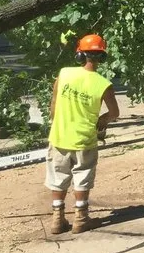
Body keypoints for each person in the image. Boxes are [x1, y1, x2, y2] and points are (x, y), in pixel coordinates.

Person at [45, 34, 120, 234]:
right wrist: (101, 122)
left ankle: (57, 219)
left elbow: (53, 103)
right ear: (102, 57)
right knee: (82, 177)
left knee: (58, 177)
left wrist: (55, 123)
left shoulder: (64, 74)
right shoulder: (103, 84)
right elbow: (114, 114)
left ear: (79, 54)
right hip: (85, 139)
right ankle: (80, 219)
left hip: (60, 136)